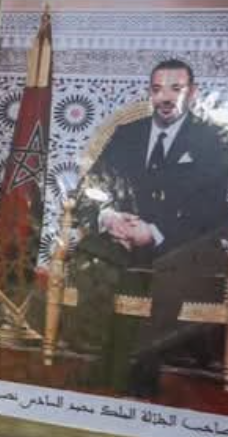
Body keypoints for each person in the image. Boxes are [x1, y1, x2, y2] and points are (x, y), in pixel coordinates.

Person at [67, 59, 228, 396]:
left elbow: (213, 212)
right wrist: (108, 217)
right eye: (157, 89)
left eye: (175, 88)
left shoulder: (211, 140)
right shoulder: (127, 135)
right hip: (121, 238)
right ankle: (95, 358)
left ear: (193, 93)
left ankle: (137, 368)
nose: (165, 97)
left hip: (178, 244)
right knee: (90, 253)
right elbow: (88, 189)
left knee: (162, 270)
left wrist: (153, 232)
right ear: (149, 93)